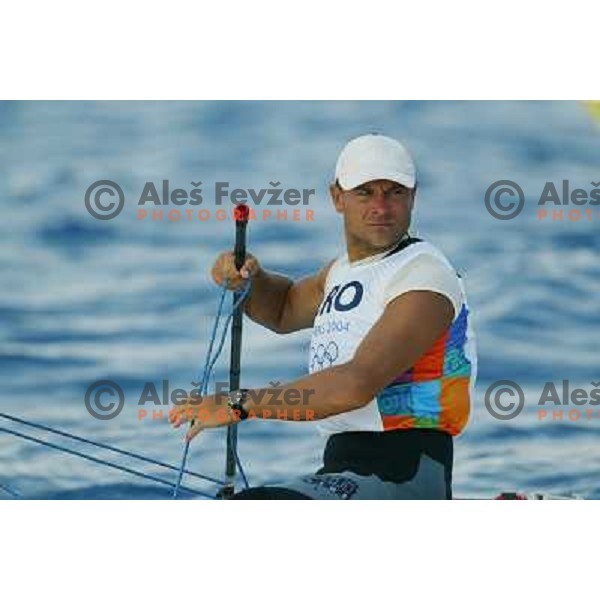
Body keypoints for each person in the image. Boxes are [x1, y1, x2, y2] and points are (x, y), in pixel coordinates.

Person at [170, 133, 477, 499]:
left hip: (407, 477)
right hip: (344, 471)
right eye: (365, 192)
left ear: (413, 196)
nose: (381, 206)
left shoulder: (424, 275)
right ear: (337, 197)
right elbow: (282, 308)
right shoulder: (344, 271)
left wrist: (239, 403)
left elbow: (356, 384)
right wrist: (246, 277)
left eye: (394, 191)